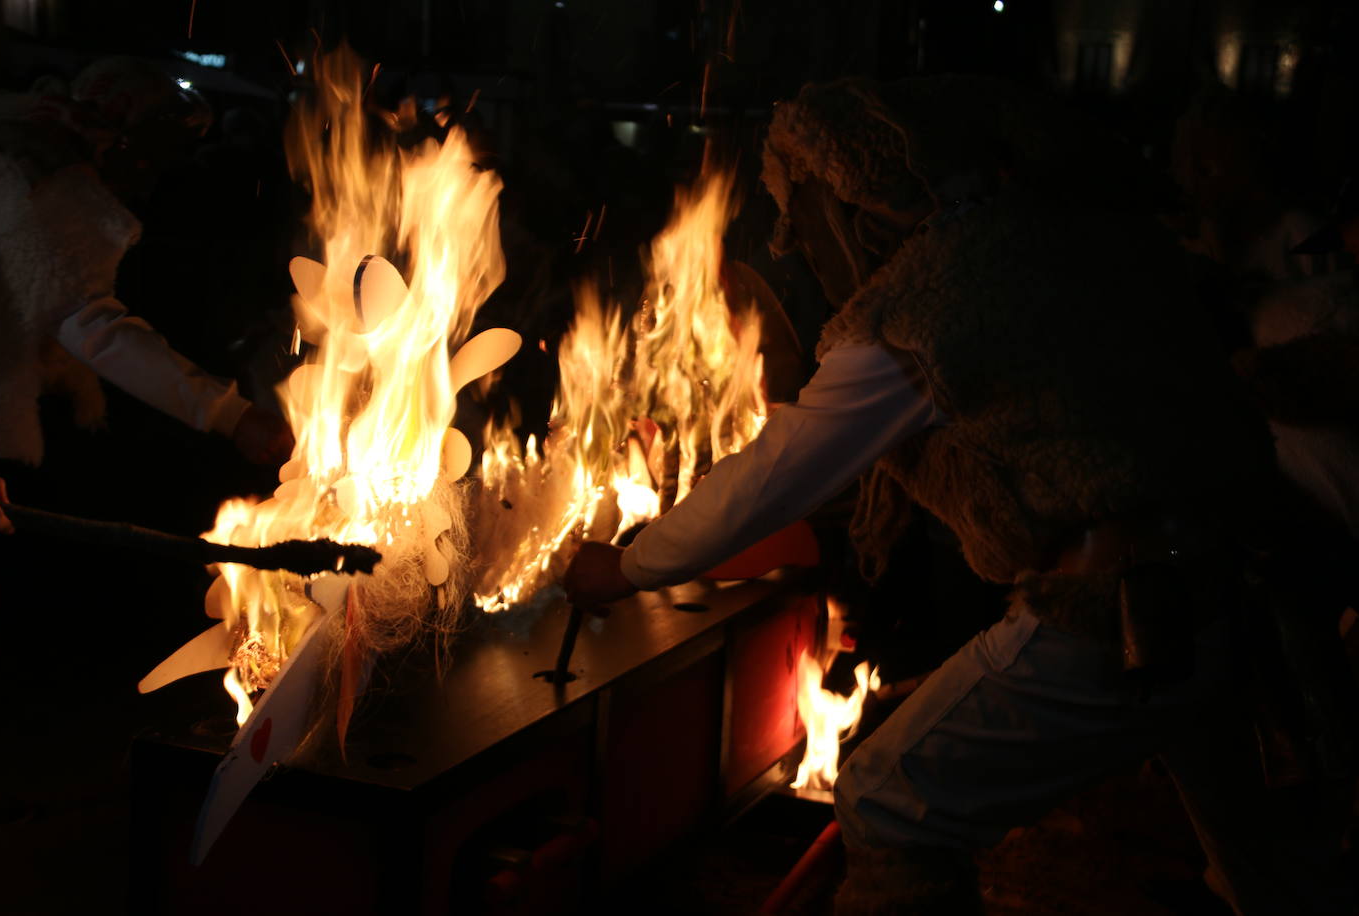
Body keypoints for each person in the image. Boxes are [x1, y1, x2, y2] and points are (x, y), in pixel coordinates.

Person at [565, 76, 1355, 914]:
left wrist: (629, 568)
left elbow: (782, 467)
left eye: (812, 208)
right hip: (1230, 590)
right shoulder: (1073, 233)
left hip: (1117, 607)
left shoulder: (933, 302)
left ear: (854, 193)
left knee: (886, 799)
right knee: (1270, 877)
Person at [0, 56, 293, 468]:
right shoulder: (48, 183)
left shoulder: (13, 145)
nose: (155, 171)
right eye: (159, 147)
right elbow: (87, 321)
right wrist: (232, 415)